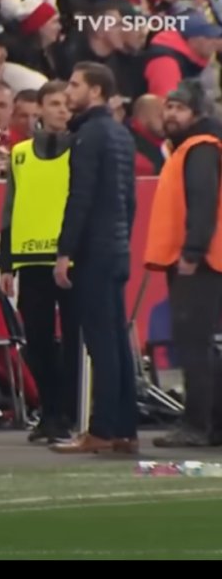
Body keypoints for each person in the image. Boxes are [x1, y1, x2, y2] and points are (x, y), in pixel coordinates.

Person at [51, 62, 139, 455]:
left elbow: (80, 197)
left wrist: (65, 251)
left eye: (75, 85)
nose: (68, 92)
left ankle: (101, 429)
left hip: (95, 251)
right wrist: (122, 240)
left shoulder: (89, 136)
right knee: (117, 341)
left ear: (97, 92)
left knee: (101, 342)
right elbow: (129, 200)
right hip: (116, 247)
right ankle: (124, 429)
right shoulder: (120, 134)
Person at [0, 80, 79, 444]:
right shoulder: (19, 153)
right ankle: (49, 412)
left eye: (67, 105)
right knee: (38, 341)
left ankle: (66, 413)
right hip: (30, 259)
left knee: (73, 340)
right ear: (41, 108)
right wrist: (6, 264)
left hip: (70, 259)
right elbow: (9, 209)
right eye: (56, 104)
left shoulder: (79, 149)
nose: (63, 111)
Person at [144, 80, 222, 448]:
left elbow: (203, 203)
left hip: (198, 261)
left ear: (197, 113)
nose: (171, 114)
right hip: (202, 259)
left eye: (180, 108)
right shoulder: (195, 146)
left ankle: (196, 424)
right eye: (169, 107)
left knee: (193, 345)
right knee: (202, 344)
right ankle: (212, 424)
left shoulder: (199, 147)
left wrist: (192, 252)